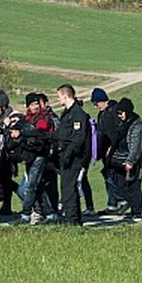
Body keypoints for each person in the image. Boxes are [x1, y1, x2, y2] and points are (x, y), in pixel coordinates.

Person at [11, 93, 54, 224]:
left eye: (36, 104)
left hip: (40, 155)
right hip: (30, 155)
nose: (35, 107)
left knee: (30, 187)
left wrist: (22, 132)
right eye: (32, 104)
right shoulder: (27, 119)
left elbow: (40, 132)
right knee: (37, 186)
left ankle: (25, 215)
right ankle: (50, 214)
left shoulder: (44, 118)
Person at [54, 84, 90, 225]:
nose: (58, 99)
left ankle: (72, 219)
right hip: (65, 155)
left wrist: (68, 153)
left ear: (65, 95)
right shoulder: (67, 113)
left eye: (58, 96)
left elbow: (78, 137)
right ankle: (74, 217)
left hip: (74, 158)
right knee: (68, 187)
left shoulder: (77, 114)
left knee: (68, 188)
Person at [109, 98, 142, 220]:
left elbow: (136, 147)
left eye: (121, 113)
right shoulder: (123, 124)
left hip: (134, 163)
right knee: (120, 184)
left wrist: (130, 162)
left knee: (134, 186)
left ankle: (137, 212)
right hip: (121, 159)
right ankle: (133, 208)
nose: (119, 116)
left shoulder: (137, 126)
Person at [90, 88, 124, 214]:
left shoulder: (112, 112)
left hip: (114, 150)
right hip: (105, 150)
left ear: (103, 101)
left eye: (96, 103)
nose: (96, 106)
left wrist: (111, 147)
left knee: (111, 176)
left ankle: (122, 199)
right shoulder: (103, 113)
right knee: (108, 175)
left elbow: (116, 133)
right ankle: (112, 204)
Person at [0, 90, 22, 214]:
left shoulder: (12, 118)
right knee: (4, 181)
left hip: (9, 155)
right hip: (2, 154)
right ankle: (6, 206)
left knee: (7, 181)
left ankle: (24, 197)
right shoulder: (0, 121)